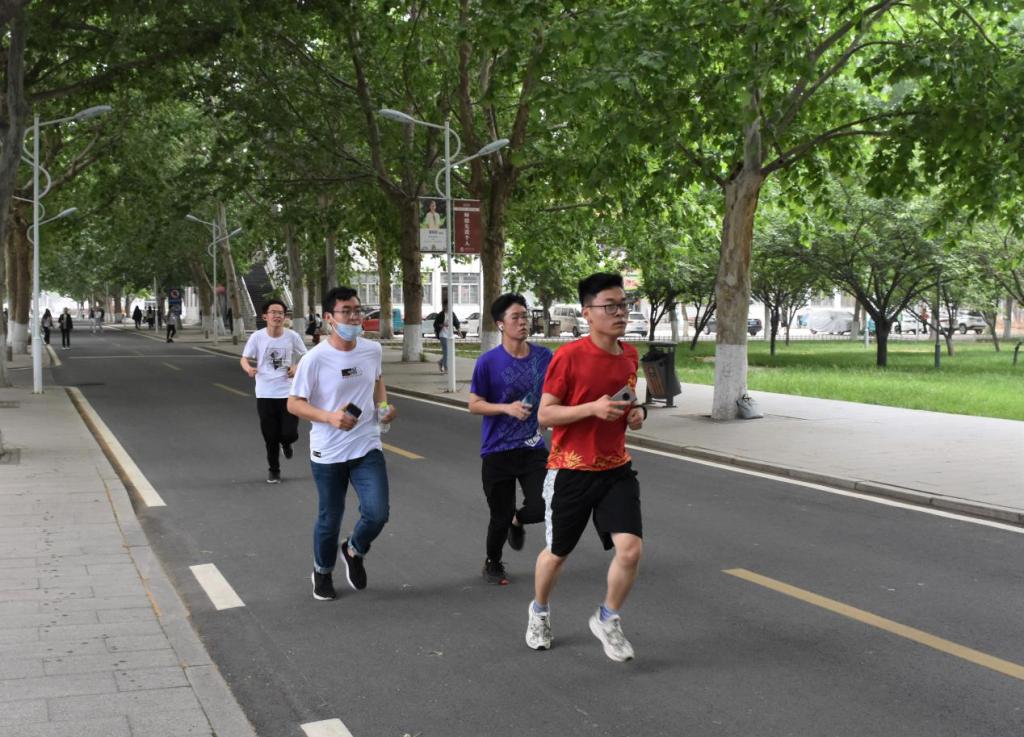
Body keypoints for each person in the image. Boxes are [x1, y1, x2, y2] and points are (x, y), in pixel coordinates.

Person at [525, 272, 647, 663]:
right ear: (587, 313)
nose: (620, 312)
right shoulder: (569, 356)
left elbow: (630, 399)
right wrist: (591, 408)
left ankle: (607, 619)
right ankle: (539, 611)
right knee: (557, 554)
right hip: (571, 470)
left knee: (630, 550)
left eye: (623, 305)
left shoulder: (629, 355)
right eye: (609, 306)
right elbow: (545, 415)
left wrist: (636, 412)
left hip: (615, 469)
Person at [287, 286, 396, 601]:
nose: (354, 317)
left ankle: (354, 549)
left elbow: (377, 381)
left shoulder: (372, 350)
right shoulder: (315, 359)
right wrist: (329, 417)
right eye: (346, 311)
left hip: (366, 445)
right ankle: (322, 571)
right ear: (329, 318)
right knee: (330, 518)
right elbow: (294, 404)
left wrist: (383, 408)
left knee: (377, 513)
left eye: (357, 310)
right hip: (328, 452)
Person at [468, 294, 552, 585]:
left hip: (532, 446)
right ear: (500, 324)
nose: (523, 322)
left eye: (525, 316)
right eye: (515, 317)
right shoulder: (488, 362)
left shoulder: (544, 357)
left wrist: (548, 415)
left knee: (544, 505)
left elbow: (556, 392)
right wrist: (506, 408)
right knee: (499, 516)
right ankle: (493, 561)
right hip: (497, 450)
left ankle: (519, 519)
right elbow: (474, 404)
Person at [240, 299, 308, 484]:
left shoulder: (292, 336)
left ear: (285, 317)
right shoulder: (257, 337)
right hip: (265, 393)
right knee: (270, 437)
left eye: (281, 313)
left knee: (290, 434)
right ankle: (274, 470)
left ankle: (286, 443)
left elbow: (306, 356)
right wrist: (249, 369)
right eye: (273, 312)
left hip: (288, 393)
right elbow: (244, 358)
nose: (277, 316)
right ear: (265, 316)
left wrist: (296, 367)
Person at [433, 302, 460, 374]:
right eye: (447, 306)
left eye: (450, 306)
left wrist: (459, 332)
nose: (448, 307)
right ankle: (446, 368)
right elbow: (435, 324)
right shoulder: (441, 314)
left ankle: (440, 362)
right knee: (446, 352)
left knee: (449, 352)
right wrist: (442, 325)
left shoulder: (452, 314)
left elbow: (456, 323)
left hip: (450, 335)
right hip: (443, 335)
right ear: (444, 306)